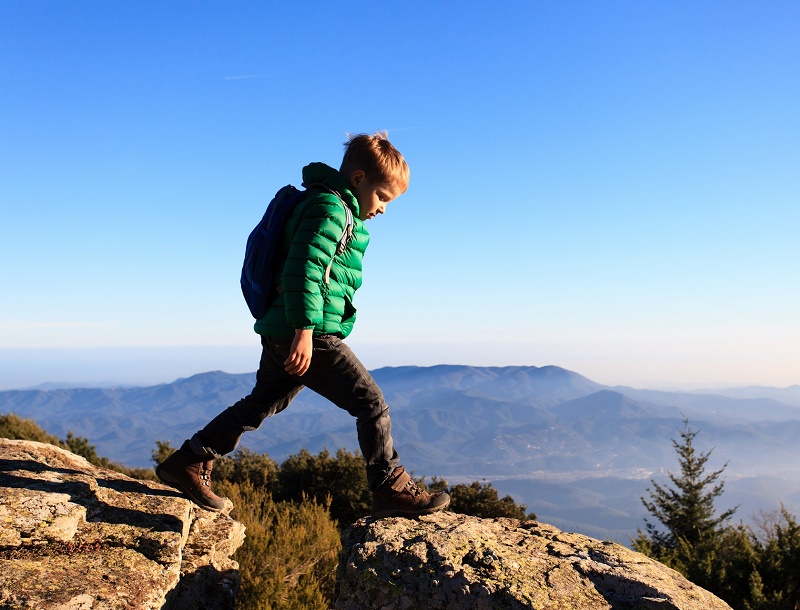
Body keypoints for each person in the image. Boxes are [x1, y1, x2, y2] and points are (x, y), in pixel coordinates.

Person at [156, 132, 450, 518]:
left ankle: (189, 460)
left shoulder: (328, 205)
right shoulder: (331, 209)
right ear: (358, 179)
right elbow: (304, 269)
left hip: (284, 330)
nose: (382, 210)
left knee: (260, 403)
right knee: (372, 404)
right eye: (382, 197)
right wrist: (305, 332)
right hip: (308, 334)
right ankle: (390, 487)